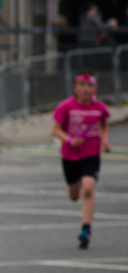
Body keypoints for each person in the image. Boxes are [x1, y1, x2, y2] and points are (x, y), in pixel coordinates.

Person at [52, 71, 112, 249]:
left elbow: (104, 124)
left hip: (91, 154)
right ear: (75, 88)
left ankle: (86, 229)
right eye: (82, 85)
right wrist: (70, 140)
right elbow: (55, 129)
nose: (86, 89)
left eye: (90, 86)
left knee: (88, 189)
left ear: (96, 88)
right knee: (73, 195)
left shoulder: (100, 108)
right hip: (70, 155)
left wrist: (104, 140)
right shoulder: (66, 107)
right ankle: (74, 185)